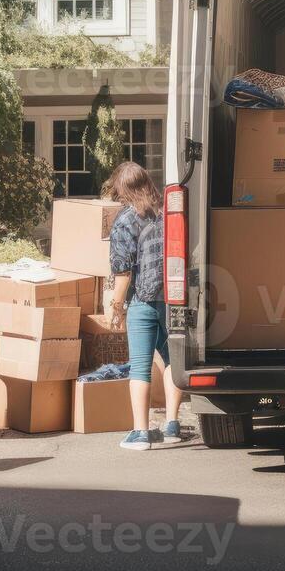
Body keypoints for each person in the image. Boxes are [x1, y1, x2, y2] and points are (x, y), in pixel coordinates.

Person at [103, 161, 187, 449]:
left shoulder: (125, 220)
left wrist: (116, 307)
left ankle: (140, 432)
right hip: (173, 297)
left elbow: (123, 272)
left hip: (142, 299)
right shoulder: (167, 213)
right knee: (172, 358)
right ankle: (172, 425)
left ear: (123, 189)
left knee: (139, 366)